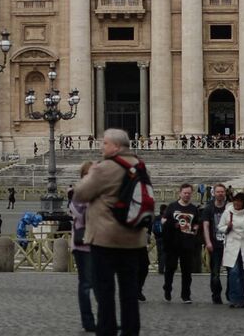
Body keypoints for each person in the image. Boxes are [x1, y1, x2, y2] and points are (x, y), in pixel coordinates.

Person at [71, 129, 149, 336]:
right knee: (129, 293)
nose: (101, 146)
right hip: (133, 239)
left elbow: (79, 193)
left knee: (105, 292)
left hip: (106, 239)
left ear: (115, 146)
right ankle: (130, 332)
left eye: (104, 143)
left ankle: (107, 331)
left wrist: (93, 172)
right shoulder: (139, 165)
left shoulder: (105, 167)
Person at [159, 183, 206, 302]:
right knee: (170, 268)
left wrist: (195, 228)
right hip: (173, 243)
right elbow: (163, 221)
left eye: (189, 193)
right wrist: (172, 224)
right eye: (185, 193)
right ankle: (167, 289)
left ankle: (186, 295)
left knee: (187, 271)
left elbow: (196, 222)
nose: (187, 195)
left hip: (187, 243)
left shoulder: (193, 209)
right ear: (180, 193)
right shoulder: (172, 206)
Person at [215, 192, 244, 308]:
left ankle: (241, 298)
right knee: (233, 272)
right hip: (232, 245)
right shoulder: (227, 213)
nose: (237, 203)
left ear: (243, 203)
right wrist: (227, 227)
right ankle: (233, 298)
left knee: (243, 274)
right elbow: (220, 227)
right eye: (235, 201)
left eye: (239, 201)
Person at [69, 162, 97, 334]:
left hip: (100, 243)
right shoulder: (78, 193)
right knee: (86, 284)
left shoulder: (100, 192)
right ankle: (88, 322)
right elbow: (79, 215)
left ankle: (105, 319)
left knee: (103, 284)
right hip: (83, 245)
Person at [204, 183, 229, 304]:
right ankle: (216, 294)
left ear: (225, 193)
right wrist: (208, 242)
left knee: (232, 272)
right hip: (214, 244)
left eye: (222, 192)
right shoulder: (209, 208)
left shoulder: (229, 208)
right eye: (218, 192)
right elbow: (206, 225)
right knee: (215, 272)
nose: (220, 194)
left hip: (229, 245)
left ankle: (230, 293)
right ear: (214, 193)